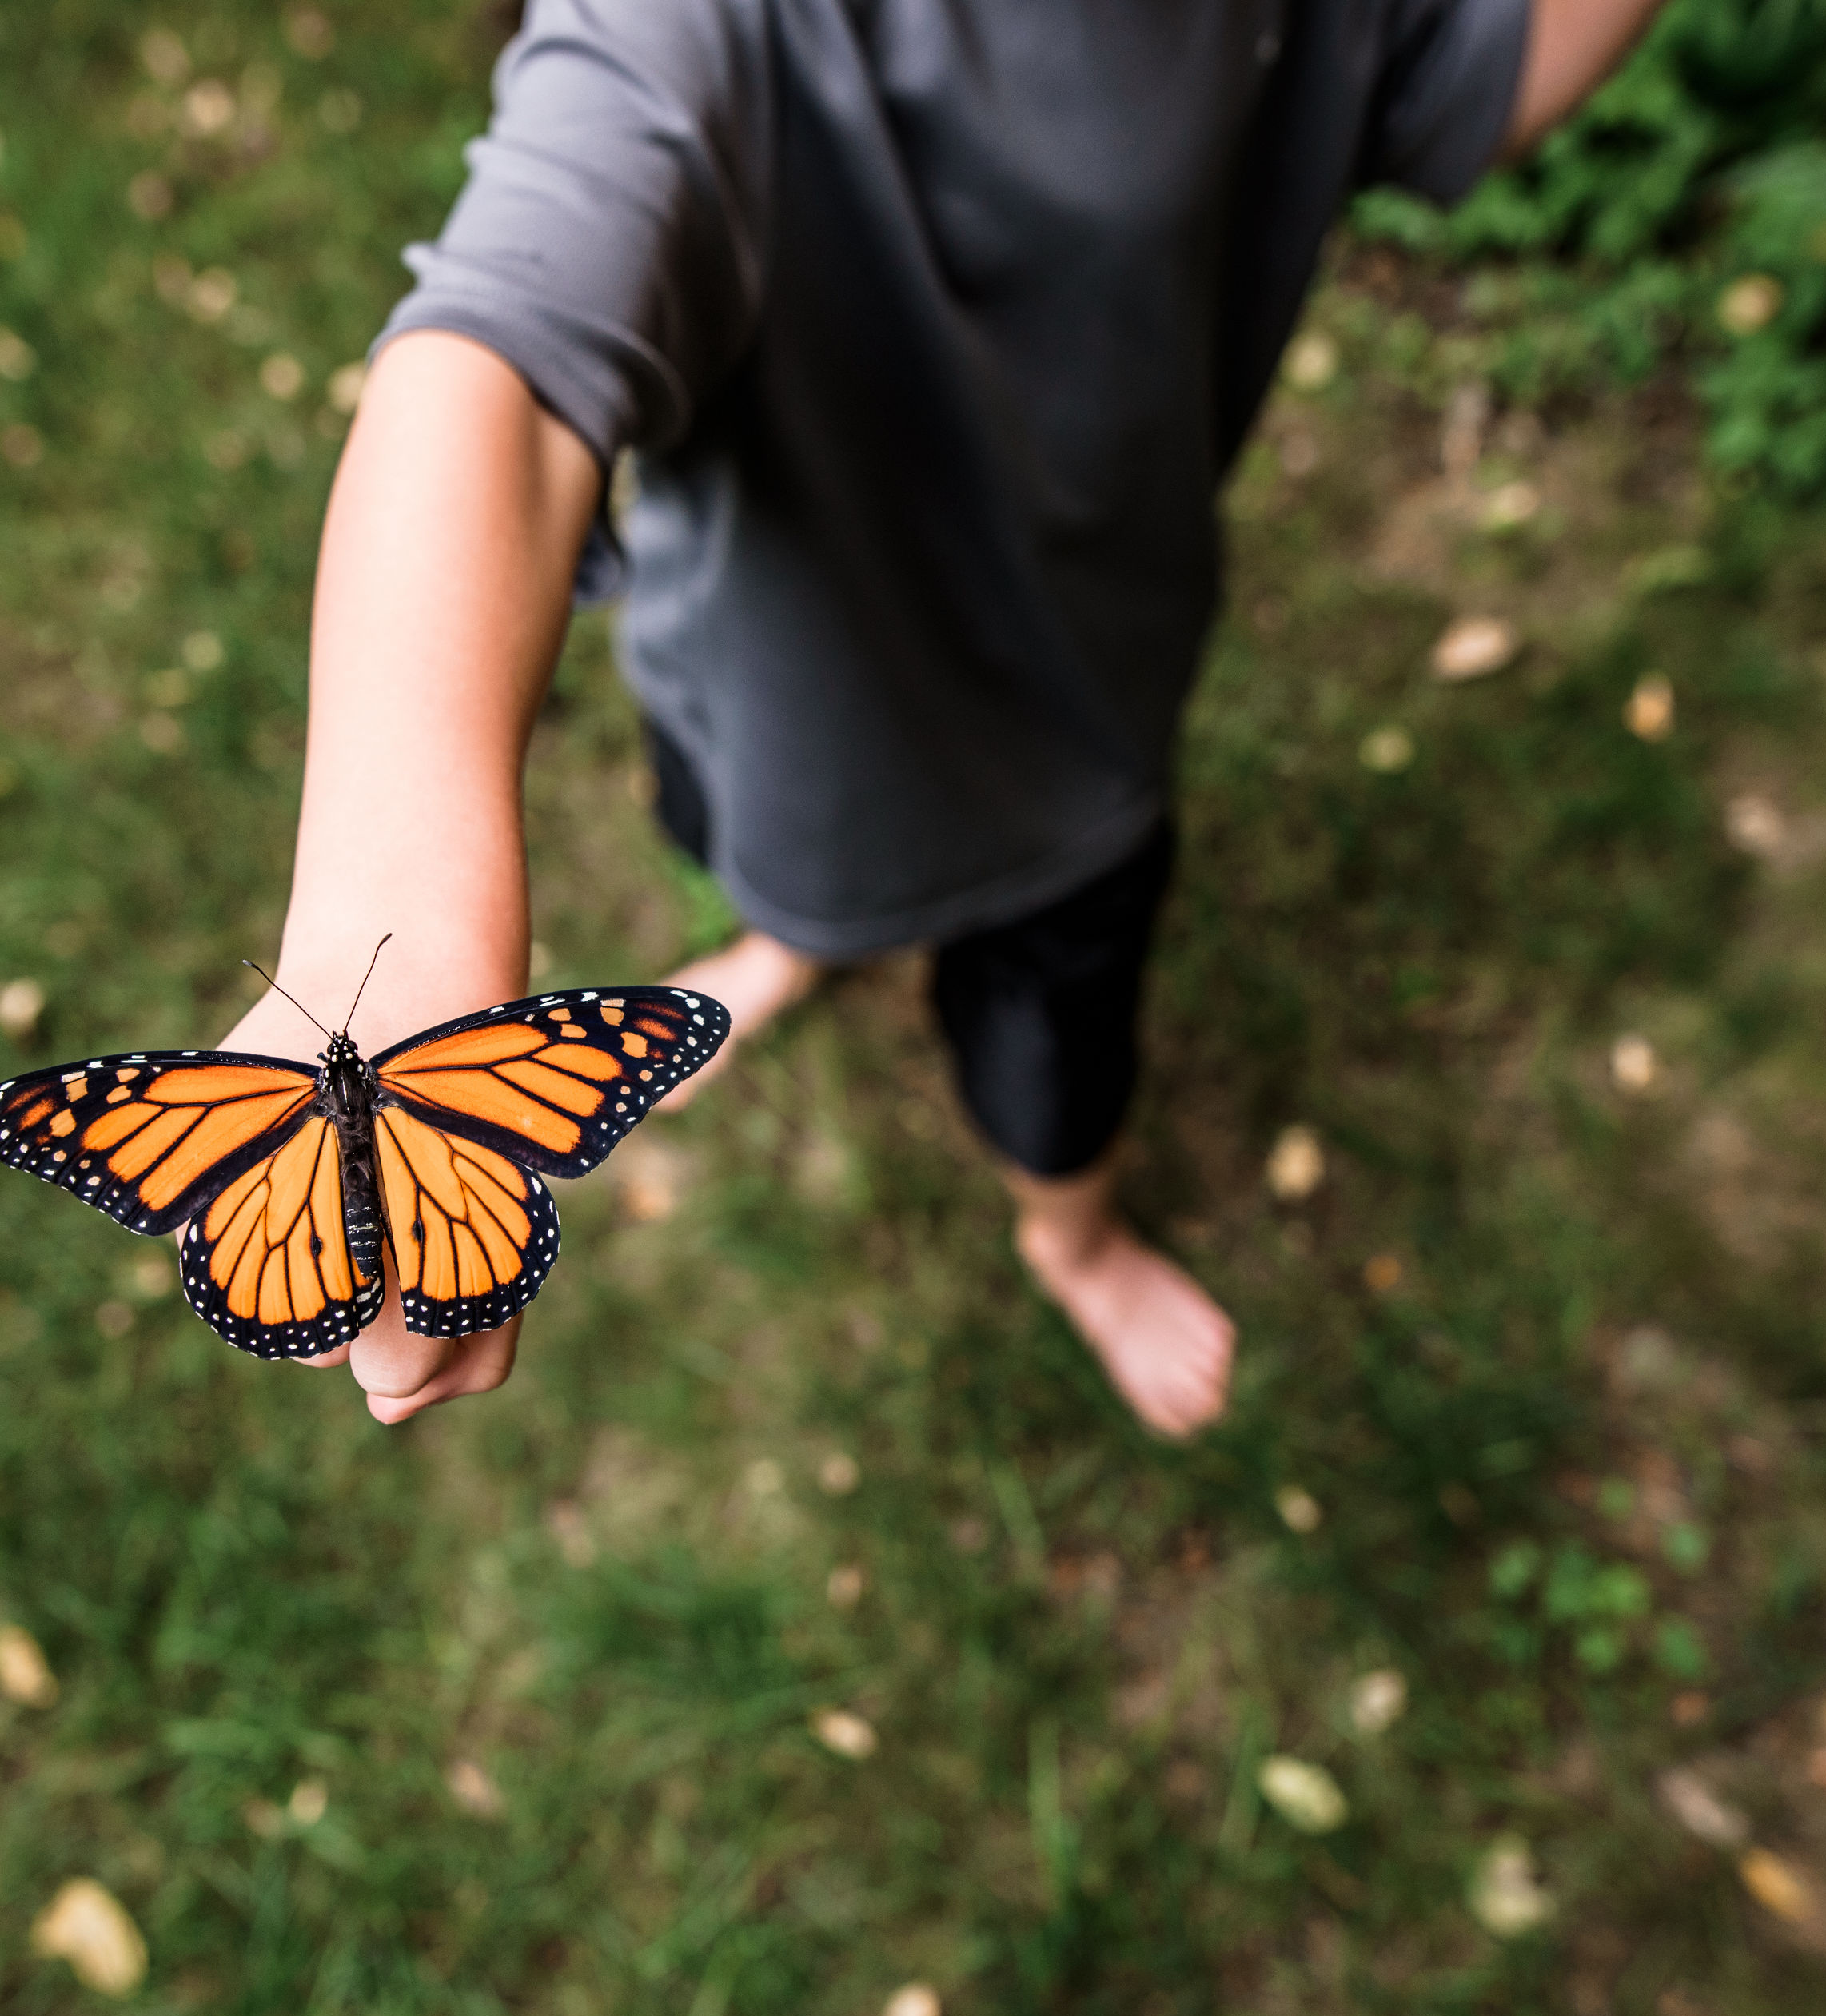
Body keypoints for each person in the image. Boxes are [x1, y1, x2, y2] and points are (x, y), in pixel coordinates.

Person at [222, 0, 1669, 1428]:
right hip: (790, 706)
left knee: (1055, 1046)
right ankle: (795, 940)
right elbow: (508, 373)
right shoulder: (693, 27)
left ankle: (1073, 1237)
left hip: (1072, 728)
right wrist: (388, 918)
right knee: (780, 854)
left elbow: (1468, 68)